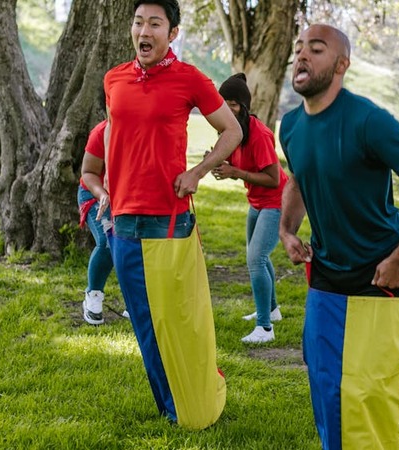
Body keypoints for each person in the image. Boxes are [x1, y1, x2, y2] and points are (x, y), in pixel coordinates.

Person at [278, 24, 399, 449]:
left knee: (370, 390)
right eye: (299, 49)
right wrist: (287, 230)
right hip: (325, 271)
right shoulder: (289, 125)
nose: (302, 56)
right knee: (326, 383)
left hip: (379, 272)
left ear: (342, 65)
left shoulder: (368, 121)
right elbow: (300, 179)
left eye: (316, 50)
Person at [81, 0, 242, 428]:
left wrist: (198, 172)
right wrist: (108, 192)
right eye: (138, 22)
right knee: (147, 325)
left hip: (169, 220)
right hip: (124, 223)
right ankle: (171, 408)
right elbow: (116, 134)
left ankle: (196, 395)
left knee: (180, 321)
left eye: (155, 23)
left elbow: (233, 130)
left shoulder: (189, 78)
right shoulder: (114, 79)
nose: (144, 30)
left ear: (172, 33)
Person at [211, 73, 288, 344]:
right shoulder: (231, 132)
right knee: (258, 257)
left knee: (256, 259)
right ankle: (272, 310)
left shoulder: (259, 134)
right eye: (223, 102)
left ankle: (264, 328)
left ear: (244, 107)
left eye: (233, 103)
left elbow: (273, 179)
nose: (227, 108)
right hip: (257, 203)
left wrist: (235, 172)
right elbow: (228, 159)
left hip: (277, 201)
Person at [77, 119, 128, 325]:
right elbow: (88, 173)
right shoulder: (101, 131)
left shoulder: (146, 129)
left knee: (137, 244)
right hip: (95, 193)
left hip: (128, 196)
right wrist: (102, 194)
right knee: (108, 240)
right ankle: (93, 295)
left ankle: (135, 301)